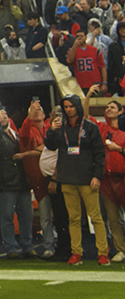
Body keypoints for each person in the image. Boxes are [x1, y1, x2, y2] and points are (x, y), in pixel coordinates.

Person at [45, 94, 109, 265]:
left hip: (87, 179)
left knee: (95, 217)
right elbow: (50, 146)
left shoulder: (90, 127)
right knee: (73, 218)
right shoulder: (60, 128)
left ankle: (103, 253)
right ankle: (76, 253)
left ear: (77, 107)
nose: (68, 110)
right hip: (67, 178)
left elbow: (99, 153)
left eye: (71, 106)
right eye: (65, 107)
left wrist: (97, 176)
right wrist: (51, 130)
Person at [0, 106, 34, 258]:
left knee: (27, 216)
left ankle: (27, 245)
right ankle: (11, 247)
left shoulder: (16, 135)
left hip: (22, 182)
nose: (4, 117)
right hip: (5, 183)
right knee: (7, 217)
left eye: (5, 115)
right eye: (0, 116)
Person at [17, 98, 55, 258]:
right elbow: (24, 132)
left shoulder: (51, 128)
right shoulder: (26, 131)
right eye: (33, 111)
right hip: (39, 180)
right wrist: (30, 114)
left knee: (62, 214)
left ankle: (68, 245)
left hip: (57, 177)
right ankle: (49, 246)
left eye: (39, 110)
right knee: (45, 216)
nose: (37, 112)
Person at [97, 100, 125, 262]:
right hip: (107, 179)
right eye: (107, 107)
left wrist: (120, 149)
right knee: (113, 218)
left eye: (112, 107)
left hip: (123, 177)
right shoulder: (103, 129)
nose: (108, 109)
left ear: (121, 111)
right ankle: (120, 249)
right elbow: (86, 116)